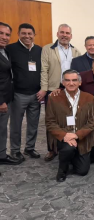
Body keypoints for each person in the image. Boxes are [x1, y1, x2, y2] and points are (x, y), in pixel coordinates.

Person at [46, 69, 94, 182]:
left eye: (74, 80)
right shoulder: (54, 98)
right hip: (63, 136)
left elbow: (92, 122)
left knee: (82, 171)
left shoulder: (89, 98)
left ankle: (74, 156)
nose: (71, 83)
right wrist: (65, 135)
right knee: (68, 149)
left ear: (80, 82)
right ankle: (62, 169)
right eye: (67, 80)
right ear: (63, 82)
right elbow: (50, 122)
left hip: (82, 137)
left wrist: (76, 135)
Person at [40, 24, 81, 162]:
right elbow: (44, 70)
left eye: (67, 33)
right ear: (57, 34)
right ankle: (52, 149)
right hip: (53, 89)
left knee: (70, 118)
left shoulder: (76, 51)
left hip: (70, 89)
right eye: (62, 32)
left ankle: (69, 144)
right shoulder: (48, 49)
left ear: (71, 36)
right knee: (52, 120)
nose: (64, 35)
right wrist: (45, 88)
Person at [7, 23, 42, 162]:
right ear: (18, 34)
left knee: (33, 123)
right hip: (18, 94)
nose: (27, 36)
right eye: (24, 33)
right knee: (16, 124)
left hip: (36, 94)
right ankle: (15, 150)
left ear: (34, 35)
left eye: (29, 34)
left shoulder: (39, 50)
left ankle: (30, 148)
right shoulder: (11, 49)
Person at [0, 22, 20, 166]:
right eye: (1, 33)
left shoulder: (5, 51)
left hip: (7, 96)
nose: (4, 37)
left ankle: (1, 155)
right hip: (1, 99)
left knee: (2, 129)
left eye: (7, 34)